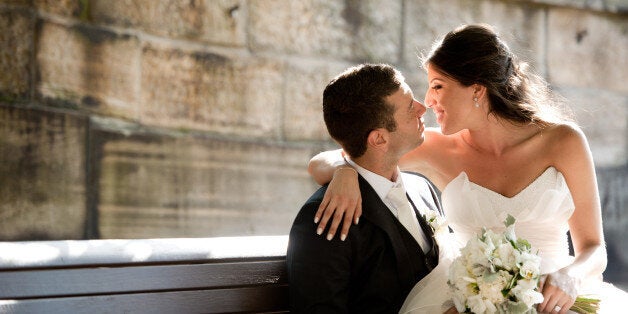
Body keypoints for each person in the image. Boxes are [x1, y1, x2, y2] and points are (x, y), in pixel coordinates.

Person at [308, 24, 626, 313]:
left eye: (438, 86)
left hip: (553, 301)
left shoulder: (563, 141)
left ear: (477, 89)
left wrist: (570, 275)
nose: (428, 101)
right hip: (465, 303)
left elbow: (594, 248)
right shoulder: (433, 146)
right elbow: (322, 161)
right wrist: (346, 171)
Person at [287, 63, 454, 313]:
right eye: (410, 107)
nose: (423, 107)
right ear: (379, 138)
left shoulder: (423, 188)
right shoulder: (321, 218)